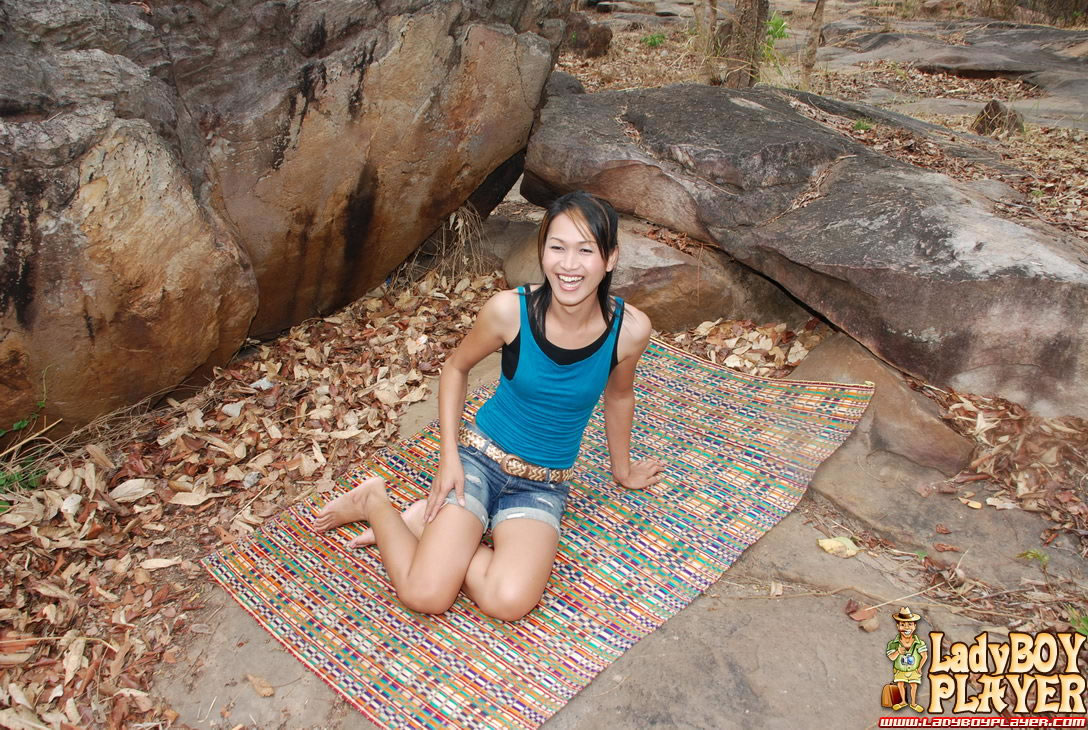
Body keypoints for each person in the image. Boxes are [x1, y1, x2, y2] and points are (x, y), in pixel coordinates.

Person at [314, 190, 665, 621]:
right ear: (542, 251)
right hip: (478, 461)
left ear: (610, 258)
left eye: (585, 250)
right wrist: (449, 458)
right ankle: (374, 501)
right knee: (426, 595)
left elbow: (619, 394)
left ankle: (430, 528)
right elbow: (455, 368)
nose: (568, 265)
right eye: (557, 247)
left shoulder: (630, 330)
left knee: (508, 602)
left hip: (542, 483)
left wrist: (623, 471)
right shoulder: (509, 311)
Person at [886, 606, 928, 712]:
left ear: (914, 626)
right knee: (900, 684)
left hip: (914, 669)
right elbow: (891, 657)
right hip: (900, 669)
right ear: (898, 626)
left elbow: (924, 655)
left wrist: (920, 668)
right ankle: (903, 701)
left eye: (910, 624)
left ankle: (913, 703)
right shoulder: (893, 643)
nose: (906, 628)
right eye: (903, 624)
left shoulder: (919, 643)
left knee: (914, 685)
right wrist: (897, 652)